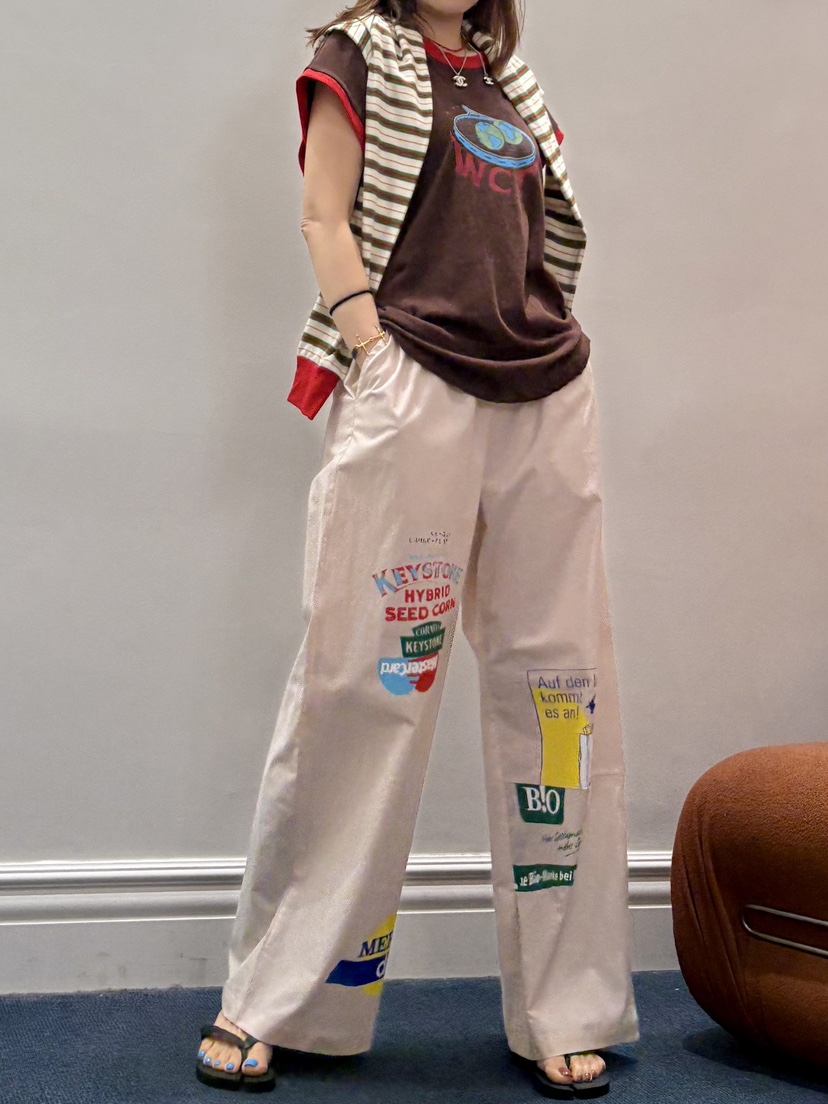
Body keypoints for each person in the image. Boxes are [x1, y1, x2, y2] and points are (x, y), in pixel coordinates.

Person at [195, 0, 640, 1096]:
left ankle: (567, 1003)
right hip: (414, 382)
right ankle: (281, 998)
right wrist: (373, 350)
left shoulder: (504, 76)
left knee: (561, 695)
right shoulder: (355, 55)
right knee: (363, 687)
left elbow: (537, 236)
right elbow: (323, 214)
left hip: (544, 394)